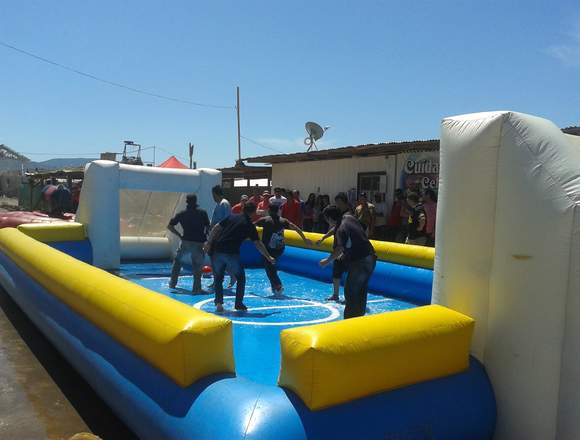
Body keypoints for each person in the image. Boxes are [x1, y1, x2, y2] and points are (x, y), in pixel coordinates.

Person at [204, 202, 275, 313]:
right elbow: (258, 244)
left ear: (243, 209)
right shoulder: (249, 225)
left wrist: (208, 243)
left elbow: (216, 228)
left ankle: (219, 304)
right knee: (241, 278)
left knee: (218, 278)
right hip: (231, 253)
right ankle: (238, 304)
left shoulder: (231, 216)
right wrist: (268, 256)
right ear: (253, 211)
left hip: (217, 250)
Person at [319, 205, 376, 319]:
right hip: (371, 257)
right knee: (361, 289)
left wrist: (327, 260)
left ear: (330, 219)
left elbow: (339, 248)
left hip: (360, 261)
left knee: (350, 291)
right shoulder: (349, 217)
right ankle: (359, 318)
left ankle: (348, 322)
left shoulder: (340, 229)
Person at [255, 204, 311, 296]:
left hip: (269, 250)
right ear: (278, 211)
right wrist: (304, 239)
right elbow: (296, 228)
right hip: (280, 249)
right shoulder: (283, 221)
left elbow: (251, 225)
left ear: (269, 210)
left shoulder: (265, 220)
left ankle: (278, 286)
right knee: (271, 268)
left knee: (270, 270)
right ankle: (275, 287)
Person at [167, 194, 210, 293]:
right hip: (199, 242)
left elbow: (169, 226)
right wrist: (207, 240)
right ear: (196, 201)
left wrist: (179, 235)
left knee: (177, 262)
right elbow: (208, 228)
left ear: (186, 202)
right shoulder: (202, 213)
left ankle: (172, 283)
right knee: (197, 266)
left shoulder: (182, 214)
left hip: (185, 241)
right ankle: (196, 288)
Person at [315, 193, 352, 302]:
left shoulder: (348, 215)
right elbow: (335, 228)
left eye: (338, 203)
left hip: (347, 250)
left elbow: (341, 244)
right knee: (336, 273)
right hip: (339, 249)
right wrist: (324, 237)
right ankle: (335, 295)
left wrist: (327, 260)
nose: (337, 205)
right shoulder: (340, 216)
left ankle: (348, 297)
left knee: (349, 274)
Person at [210, 185, 235, 287]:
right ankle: (217, 279)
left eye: (213, 195)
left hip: (221, 235)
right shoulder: (219, 204)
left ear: (216, 194)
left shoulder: (224, 203)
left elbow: (227, 220)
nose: (212, 197)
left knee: (219, 258)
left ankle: (232, 275)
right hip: (216, 235)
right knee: (215, 258)